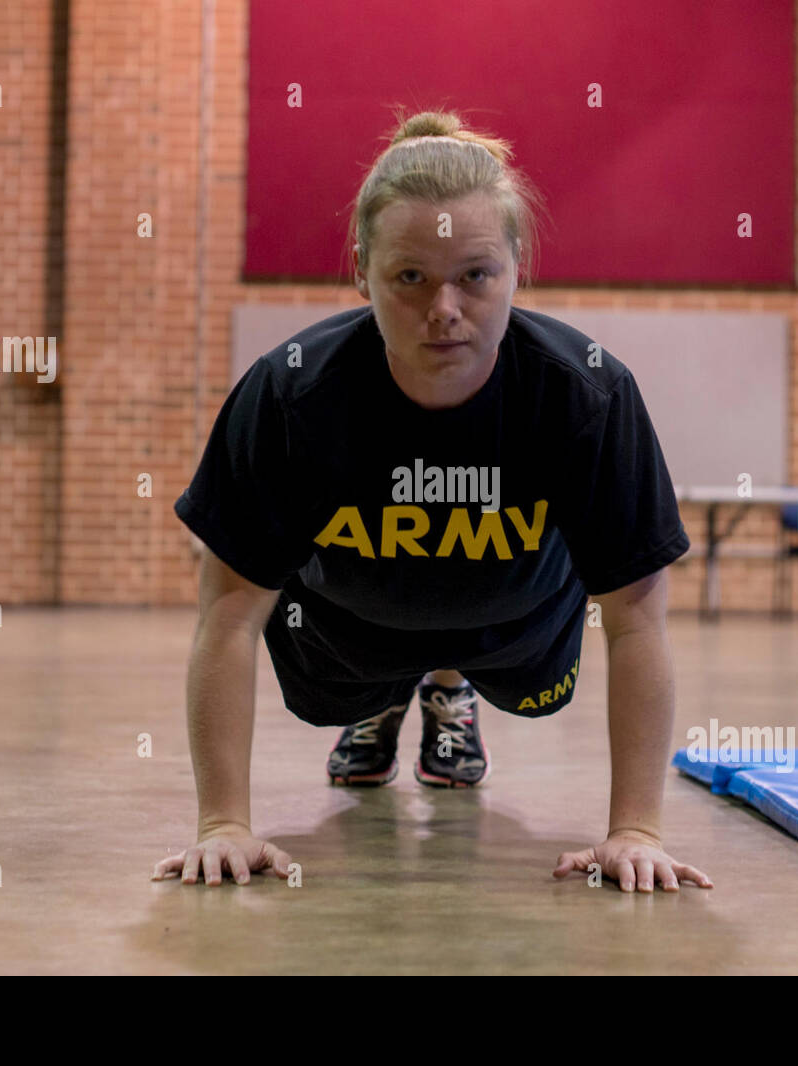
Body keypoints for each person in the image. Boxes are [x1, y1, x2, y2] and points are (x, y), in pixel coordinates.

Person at [154, 110, 712, 893]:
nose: (444, 309)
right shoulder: (290, 395)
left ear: (518, 266)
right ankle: (382, 703)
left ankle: (447, 688)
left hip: (517, 630)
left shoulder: (586, 395)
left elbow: (635, 617)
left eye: (475, 275)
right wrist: (222, 824)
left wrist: (635, 831)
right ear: (362, 271)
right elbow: (229, 613)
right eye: (410, 277)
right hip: (343, 634)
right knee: (347, 679)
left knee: (493, 658)